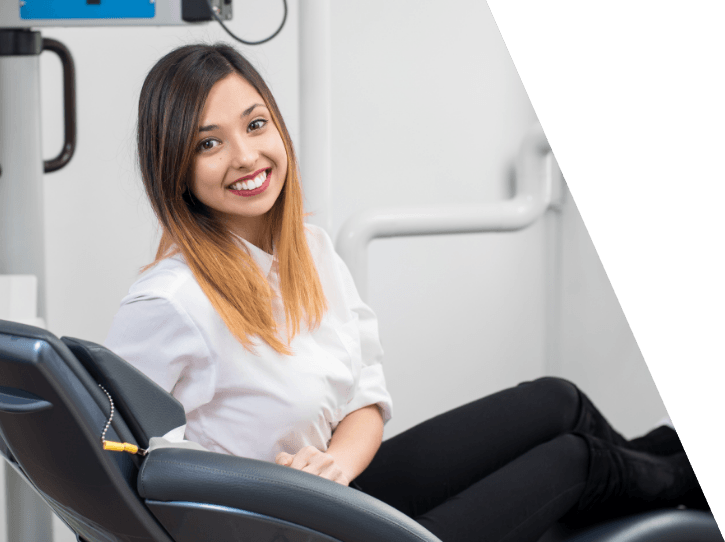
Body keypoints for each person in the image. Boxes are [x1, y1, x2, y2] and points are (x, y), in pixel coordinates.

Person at [105, 43, 707, 542]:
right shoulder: (169, 304)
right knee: (576, 461)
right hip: (289, 532)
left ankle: (671, 467)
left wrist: (335, 466)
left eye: (256, 124)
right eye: (208, 143)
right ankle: (678, 480)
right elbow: (119, 479)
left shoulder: (308, 252)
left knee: (557, 399)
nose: (246, 155)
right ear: (175, 168)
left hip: (333, 500)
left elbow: (364, 395)